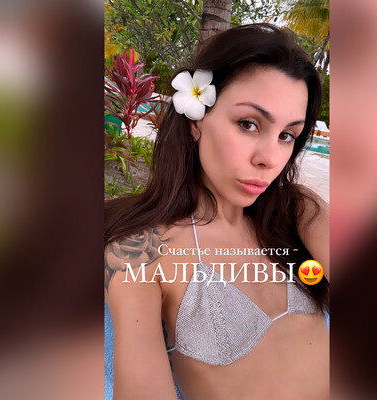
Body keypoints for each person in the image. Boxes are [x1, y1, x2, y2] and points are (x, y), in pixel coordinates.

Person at [104, 23, 329, 399]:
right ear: (196, 121)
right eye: (248, 124)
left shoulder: (297, 210)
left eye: (287, 135)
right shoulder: (139, 250)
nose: (269, 158)